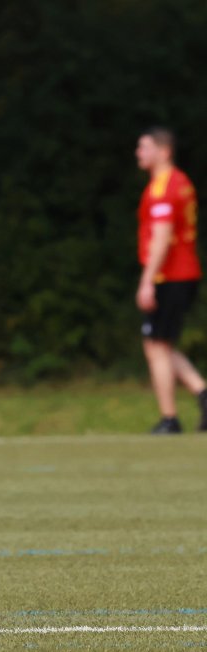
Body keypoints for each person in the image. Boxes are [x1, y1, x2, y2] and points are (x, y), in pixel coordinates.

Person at [134, 127, 207, 434]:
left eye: (144, 147)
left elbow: (162, 238)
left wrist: (147, 280)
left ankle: (169, 417)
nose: (139, 153)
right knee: (158, 343)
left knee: (156, 344)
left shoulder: (164, 187)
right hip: (183, 272)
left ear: (164, 151)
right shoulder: (181, 182)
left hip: (171, 273)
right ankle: (202, 392)